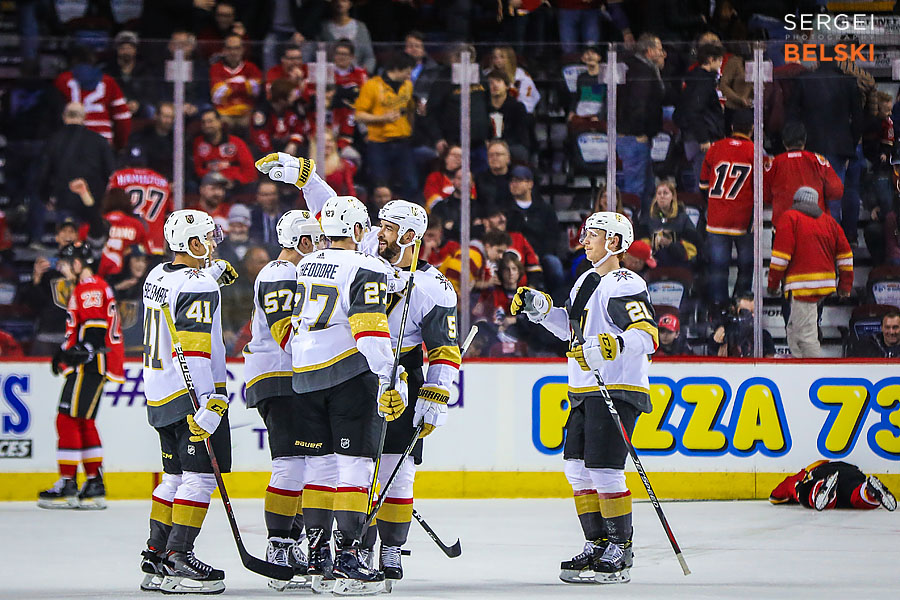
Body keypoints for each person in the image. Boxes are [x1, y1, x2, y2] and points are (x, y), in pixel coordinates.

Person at [254, 153, 404, 593]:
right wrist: (389, 376)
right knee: (355, 469)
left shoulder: (306, 264)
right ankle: (349, 559)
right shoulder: (367, 265)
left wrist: (310, 179)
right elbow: (370, 328)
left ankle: (318, 556)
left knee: (319, 469)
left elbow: (333, 210)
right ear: (359, 232)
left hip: (304, 376)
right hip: (348, 374)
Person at [510, 212, 657, 584]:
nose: (585, 239)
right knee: (576, 469)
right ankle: (597, 543)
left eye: (594, 234)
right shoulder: (585, 282)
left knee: (605, 470)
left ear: (616, 242)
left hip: (617, 387)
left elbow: (647, 335)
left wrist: (613, 345)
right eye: (586, 233)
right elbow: (572, 332)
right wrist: (541, 312)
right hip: (582, 388)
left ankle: (621, 548)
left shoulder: (625, 281)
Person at [363, 200, 461, 591]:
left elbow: (444, 349)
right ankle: (354, 546)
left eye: (387, 228)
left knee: (395, 472)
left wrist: (435, 397)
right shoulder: (363, 260)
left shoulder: (433, 286)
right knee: (354, 470)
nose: (378, 233)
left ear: (408, 237)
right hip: (356, 373)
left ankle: (390, 548)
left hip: (402, 374)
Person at [138, 210, 235, 594]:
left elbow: (178, 293)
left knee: (173, 476)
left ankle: (155, 553)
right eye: (207, 239)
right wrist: (209, 401)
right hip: (189, 392)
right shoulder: (200, 286)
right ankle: (180, 557)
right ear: (193, 244)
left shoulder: (155, 275)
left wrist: (209, 273)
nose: (212, 244)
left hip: (158, 391)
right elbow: (193, 350)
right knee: (199, 477)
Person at [246, 210, 324, 591]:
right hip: (281, 377)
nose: (322, 248)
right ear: (303, 242)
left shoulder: (294, 273)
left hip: (291, 377)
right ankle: (279, 546)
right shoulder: (280, 272)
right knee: (292, 463)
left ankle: (289, 542)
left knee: (306, 464)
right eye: (318, 241)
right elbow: (286, 335)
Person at [38, 243, 124, 510]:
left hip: (91, 364)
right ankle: (93, 484)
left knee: (66, 420)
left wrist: (81, 350)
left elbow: (95, 329)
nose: (63, 269)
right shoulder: (89, 286)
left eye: (66, 263)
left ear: (79, 262)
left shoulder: (89, 286)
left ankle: (68, 483)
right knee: (83, 422)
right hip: (93, 363)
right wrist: (64, 353)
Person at [768, 187, 853, 358]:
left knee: (806, 336)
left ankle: (813, 374)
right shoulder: (830, 222)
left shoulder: (790, 218)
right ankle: (800, 367)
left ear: (796, 201)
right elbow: (846, 255)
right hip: (825, 283)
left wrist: (773, 284)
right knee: (793, 329)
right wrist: (845, 285)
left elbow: (781, 257)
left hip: (802, 285)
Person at [700, 109, 755, 307]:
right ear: (752, 128)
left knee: (718, 268)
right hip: (743, 220)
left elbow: (703, 185)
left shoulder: (716, 148)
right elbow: (762, 189)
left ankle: (719, 310)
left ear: (731, 127)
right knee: (747, 266)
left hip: (717, 219)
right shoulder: (755, 151)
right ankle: (741, 307)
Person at [354, 53, 417, 203]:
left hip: (402, 141)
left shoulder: (407, 86)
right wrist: (382, 118)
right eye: (408, 71)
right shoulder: (372, 86)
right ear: (397, 69)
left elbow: (409, 109)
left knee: (411, 182)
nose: (410, 75)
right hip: (379, 142)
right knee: (380, 185)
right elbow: (359, 115)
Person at [617, 34, 667, 217]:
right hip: (634, 137)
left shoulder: (638, 67)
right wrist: (639, 132)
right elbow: (638, 104)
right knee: (635, 190)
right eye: (660, 49)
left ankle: (644, 228)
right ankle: (630, 234)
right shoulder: (641, 71)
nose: (663, 53)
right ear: (650, 51)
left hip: (636, 137)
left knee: (647, 188)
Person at [763, 121, 844, 231]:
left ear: (784, 142)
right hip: (815, 227)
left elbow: (765, 196)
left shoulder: (775, 163)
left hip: (784, 227)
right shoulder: (818, 161)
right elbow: (836, 191)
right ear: (805, 140)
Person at [54, 45, 132, 150]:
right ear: (93, 60)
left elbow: (53, 114)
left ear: (73, 60)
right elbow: (123, 117)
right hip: (102, 143)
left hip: (71, 143)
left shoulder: (62, 80)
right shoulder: (108, 81)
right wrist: (120, 146)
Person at [674, 43, 726, 193]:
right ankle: (704, 214)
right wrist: (703, 138)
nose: (721, 63)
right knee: (704, 183)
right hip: (702, 138)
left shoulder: (698, 78)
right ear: (710, 60)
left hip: (698, 135)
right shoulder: (702, 81)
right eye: (719, 60)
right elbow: (694, 110)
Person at [770, 461, 896, 512]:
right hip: (851, 472)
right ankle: (869, 492)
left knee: (803, 492)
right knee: (856, 494)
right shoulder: (843, 465)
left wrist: (793, 495)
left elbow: (775, 496)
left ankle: (824, 491)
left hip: (822, 474)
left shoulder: (805, 473)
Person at [107, 164, 173, 256]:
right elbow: (170, 213)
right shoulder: (162, 181)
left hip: (127, 241)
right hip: (155, 244)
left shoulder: (118, 176)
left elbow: (110, 204)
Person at [192, 109, 257, 188]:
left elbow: (249, 169)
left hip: (235, 186)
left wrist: (237, 183)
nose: (206, 125)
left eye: (210, 121)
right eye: (203, 122)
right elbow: (197, 168)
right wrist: (214, 179)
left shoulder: (236, 142)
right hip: (208, 185)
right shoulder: (198, 143)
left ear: (220, 123)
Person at [318, 0, 376, 74]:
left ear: (350, 3)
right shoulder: (324, 28)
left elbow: (369, 57)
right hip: (332, 76)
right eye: (336, 1)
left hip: (356, 77)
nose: (340, 3)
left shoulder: (361, 27)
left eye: (344, 0)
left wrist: (364, 72)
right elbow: (320, 54)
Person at [486, 69, 531, 163]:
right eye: (490, 83)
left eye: (498, 81)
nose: (494, 85)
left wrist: (502, 143)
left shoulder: (517, 107)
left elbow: (521, 134)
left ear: (506, 85)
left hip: (512, 145)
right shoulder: (485, 108)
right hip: (489, 145)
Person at [126, 102, 176, 180]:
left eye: (171, 118)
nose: (169, 121)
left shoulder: (177, 140)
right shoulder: (143, 137)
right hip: (148, 180)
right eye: (166, 117)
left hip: (169, 182)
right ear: (156, 116)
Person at [488, 45, 541, 114]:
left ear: (510, 58)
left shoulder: (521, 76)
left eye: (502, 57)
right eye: (495, 57)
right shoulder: (487, 74)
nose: (498, 60)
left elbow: (529, 101)